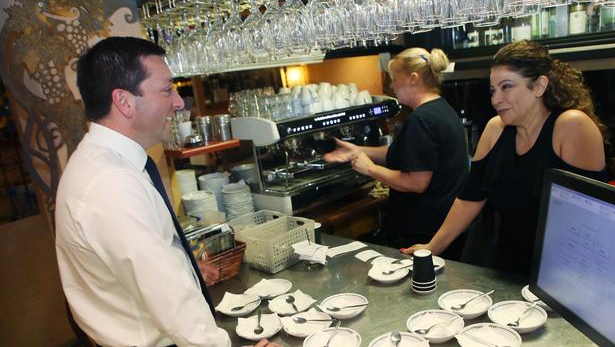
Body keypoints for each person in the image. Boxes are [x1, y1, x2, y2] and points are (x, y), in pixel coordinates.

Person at [55, 37, 279, 347]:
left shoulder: (102, 162)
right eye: (166, 89)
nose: (178, 102)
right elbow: (172, 305)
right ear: (124, 101)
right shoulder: (111, 183)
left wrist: (184, 265)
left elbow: (137, 264)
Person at [403, 40, 607, 275]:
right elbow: (470, 198)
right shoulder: (495, 130)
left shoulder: (571, 126)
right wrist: (431, 248)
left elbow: (591, 220)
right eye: (493, 90)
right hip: (506, 269)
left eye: (506, 87)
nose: (495, 99)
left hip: (561, 273)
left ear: (539, 86)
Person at [324, 47, 469, 257]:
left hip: (424, 230)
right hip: (440, 223)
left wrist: (370, 169)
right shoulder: (440, 108)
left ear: (413, 78)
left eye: (394, 78)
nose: (391, 85)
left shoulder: (421, 120)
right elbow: (405, 155)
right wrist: (358, 150)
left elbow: (416, 182)